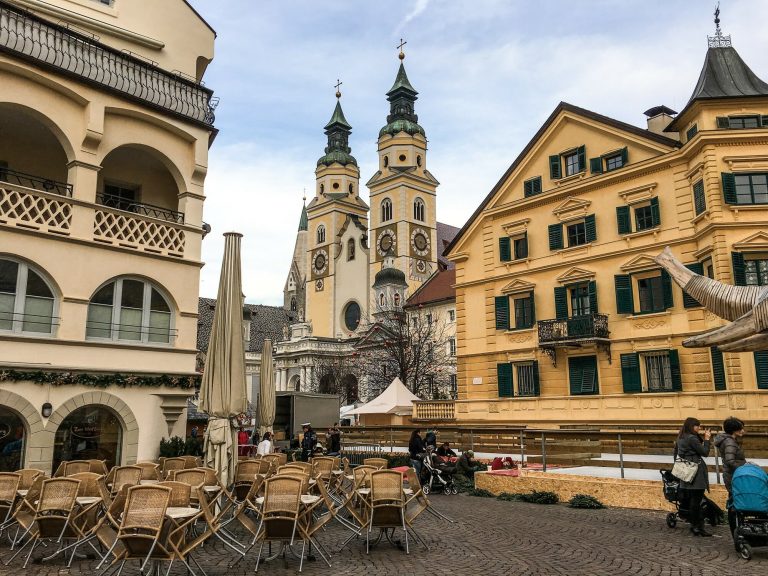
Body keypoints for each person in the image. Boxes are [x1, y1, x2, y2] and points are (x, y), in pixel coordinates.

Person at [675, 417, 712, 537]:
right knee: (696, 501)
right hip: (695, 472)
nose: (699, 428)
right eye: (698, 426)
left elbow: (677, 453)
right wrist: (707, 439)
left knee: (692, 500)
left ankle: (694, 524)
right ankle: (697, 526)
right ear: (692, 426)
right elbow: (705, 452)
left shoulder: (681, 437)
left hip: (685, 471)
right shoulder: (692, 438)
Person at [714, 416, 747, 533]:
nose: (743, 431)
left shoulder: (728, 441)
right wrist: (745, 468)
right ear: (735, 430)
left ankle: (737, 529)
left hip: (731, 475)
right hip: (733, 475)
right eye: (741, 428)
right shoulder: (730, 442)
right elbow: (730, 460)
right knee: (734, 502)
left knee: (733, 500)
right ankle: (736, 530)